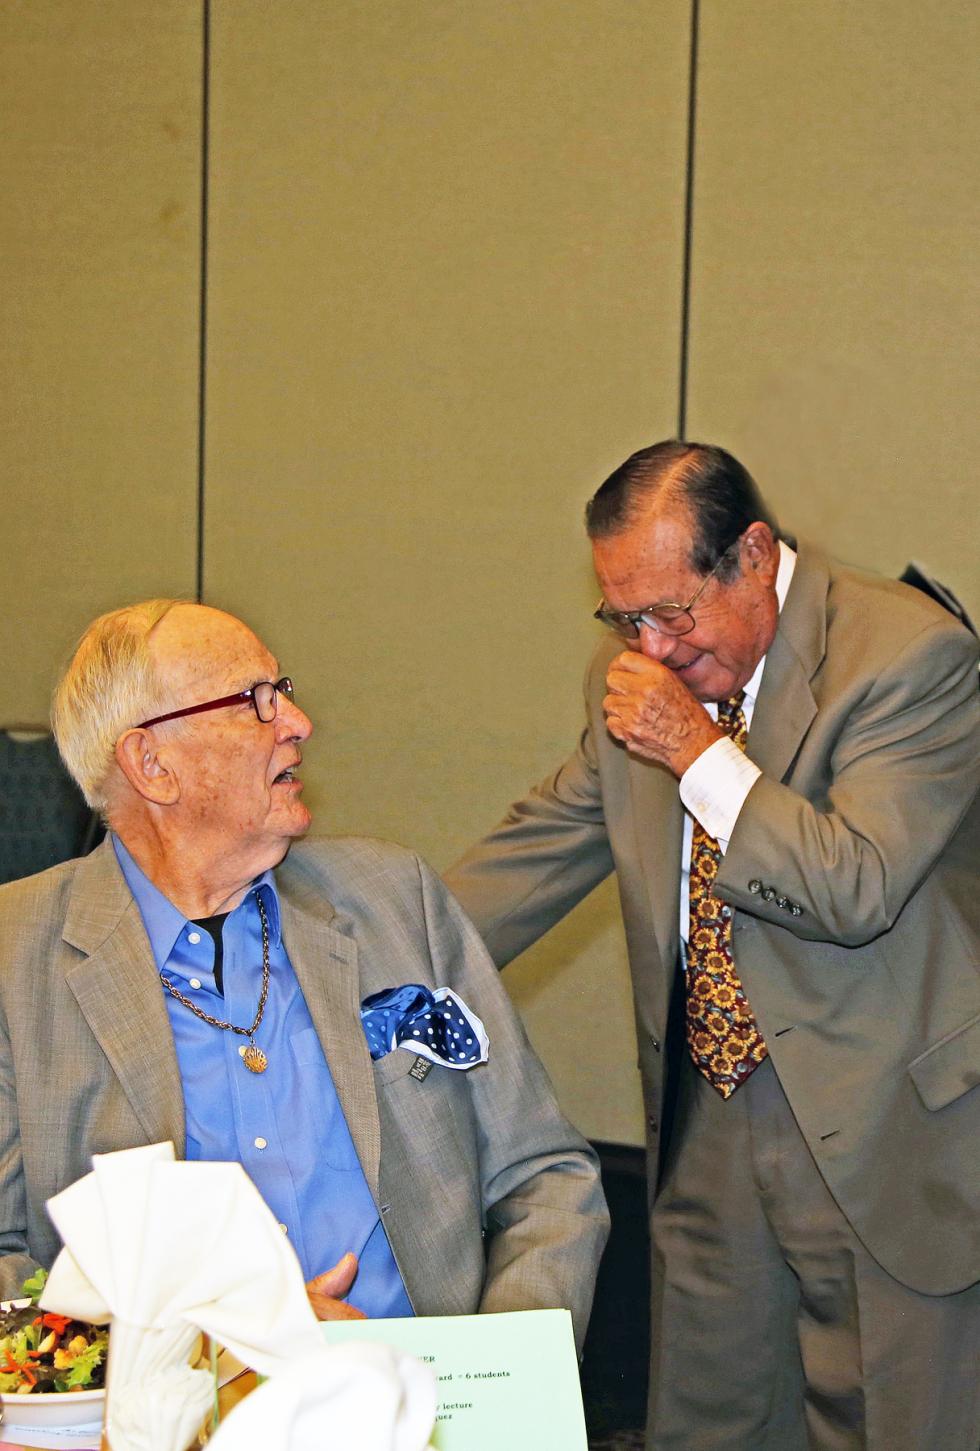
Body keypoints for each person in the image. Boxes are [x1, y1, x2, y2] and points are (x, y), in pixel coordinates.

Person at [445, 441, 980, 1450]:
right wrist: (351, 961)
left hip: (879, 1126)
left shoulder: (906, 656)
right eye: (622, 617)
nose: (650, 645)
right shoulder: (647, 684)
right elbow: (533, 851)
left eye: (672, 613)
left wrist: (695, 750)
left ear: (751, 552)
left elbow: (851, 881)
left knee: (886, 1419)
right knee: (709, 1417)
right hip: (710, 1121)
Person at [0, 599, 608, 1351]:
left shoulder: (396, 901)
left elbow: (545, 1177)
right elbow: (7, 1264)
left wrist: (503, 1376)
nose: (297, 721)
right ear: (152, 764)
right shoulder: (15, 960)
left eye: (280, 689)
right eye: (255, 701)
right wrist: (214, 1343)